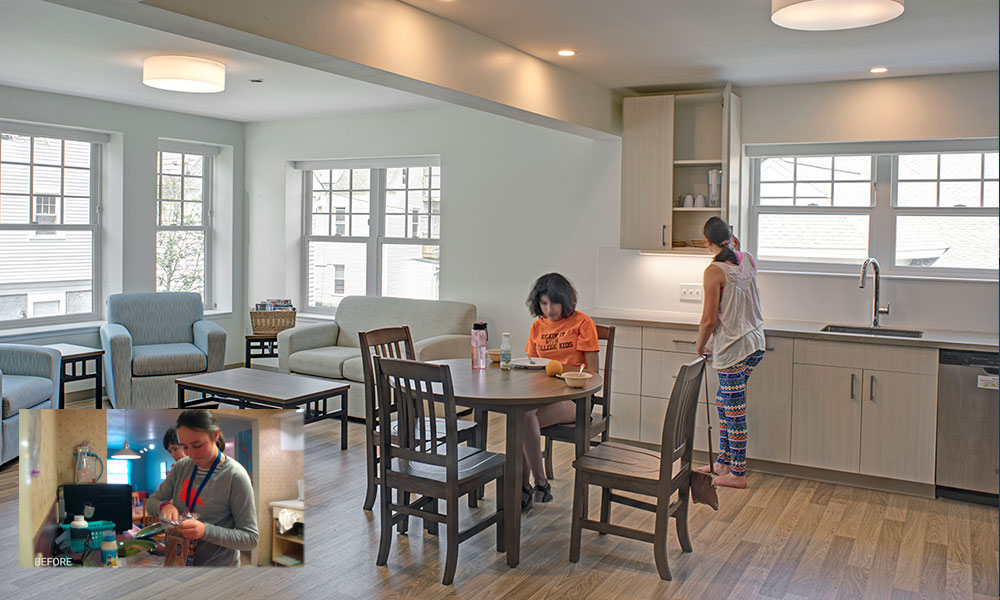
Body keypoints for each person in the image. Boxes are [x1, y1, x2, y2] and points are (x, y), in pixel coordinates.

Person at [694, 217, 765, 489]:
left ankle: (738, 473)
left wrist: (700, 345)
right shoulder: (747, 259)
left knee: (734, 410)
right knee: (724, 401)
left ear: (707, 242)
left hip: (733, 349)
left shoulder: (714, 271)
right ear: (732, 237)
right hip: (755, 344)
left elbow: (709, 320)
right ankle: (723, 462)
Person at [521, 273, 600, 510]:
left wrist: (569, 380)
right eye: (544, 303)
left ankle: (532, 486)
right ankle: (535, 486)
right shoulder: (537, 326)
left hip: (576, 399)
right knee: (522, 417)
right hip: (543, 395)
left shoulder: (583, 323)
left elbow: (594, 374)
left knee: (521, 422)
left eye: (554, 303)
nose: (549, 309)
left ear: (565, 300)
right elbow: (532, 367)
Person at [145, 410, 258, 566]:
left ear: (215, 435)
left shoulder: (235, 476)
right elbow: (151, 503)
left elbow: (250, 539)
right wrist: (164, 506)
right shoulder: (181, 467)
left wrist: (205, 531)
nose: (191, 455)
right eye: (185, 447)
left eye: (197, 445)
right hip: (178, 561)